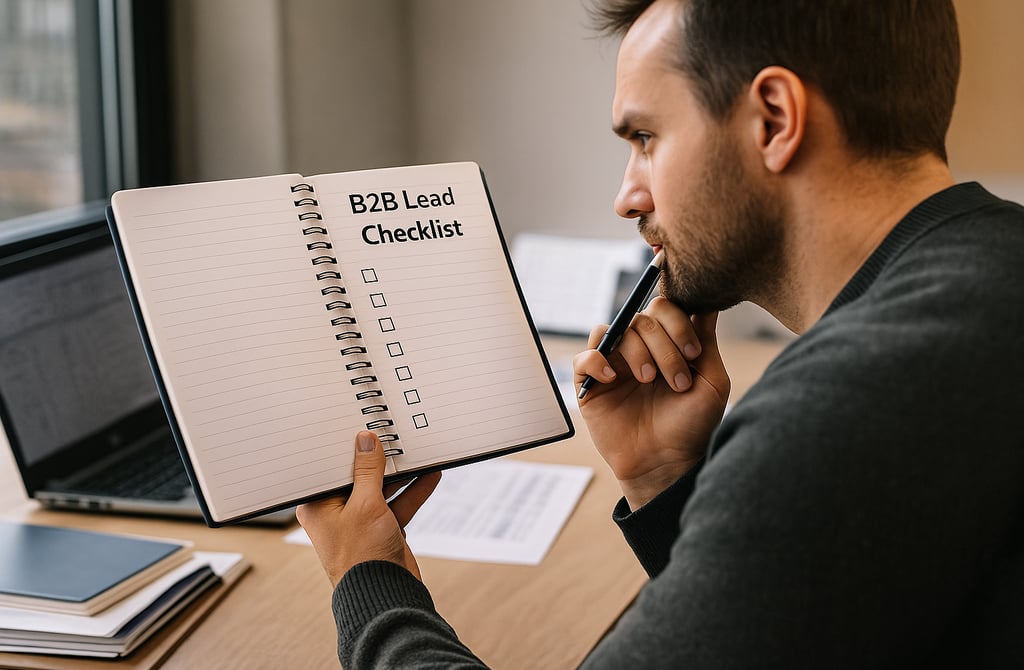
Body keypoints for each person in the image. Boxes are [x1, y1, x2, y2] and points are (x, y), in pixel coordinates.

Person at [297, 0, 1024, 666]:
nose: (626, 197)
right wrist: (664, 482)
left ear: (773, 118)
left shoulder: (851, 404)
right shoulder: (992, 276)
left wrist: (369, 581)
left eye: (646, 137)